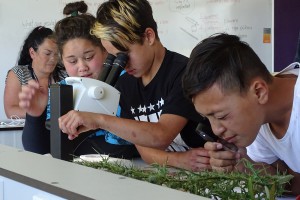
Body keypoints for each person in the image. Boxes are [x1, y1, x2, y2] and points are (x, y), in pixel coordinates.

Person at [58, 0, 212, 171]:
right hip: (175, 171)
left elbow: (161, 136)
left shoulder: (184, 73)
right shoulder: (126, 84)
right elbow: (145, 151)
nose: (122, 65)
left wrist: (98, 119)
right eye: (114, 57)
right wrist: (178, 160)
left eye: (124, 55)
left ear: (148, 36)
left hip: (212, 169)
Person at [182, 33, 300, 194]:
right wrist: (242, 165)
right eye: (208, 118)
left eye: (221, 116)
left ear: (259, 92)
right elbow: (291, 182)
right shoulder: (258, 117)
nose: (216, 130)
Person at [19, 1, 139, 158]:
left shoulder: (128, 81)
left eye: (89, 57)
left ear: (105, 50)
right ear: (62, 61)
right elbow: (39, 150)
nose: (82, 67)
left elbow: (138, 140)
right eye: (72, 61)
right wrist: (35, 116)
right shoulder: (62, 91)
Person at [4, 26, 66, 119]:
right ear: (32, 53)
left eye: (56, 54)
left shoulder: (64, 75)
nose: (53, 59)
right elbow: (11, 111)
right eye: (47, 53)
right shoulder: (18, 73)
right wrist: (41, 112)